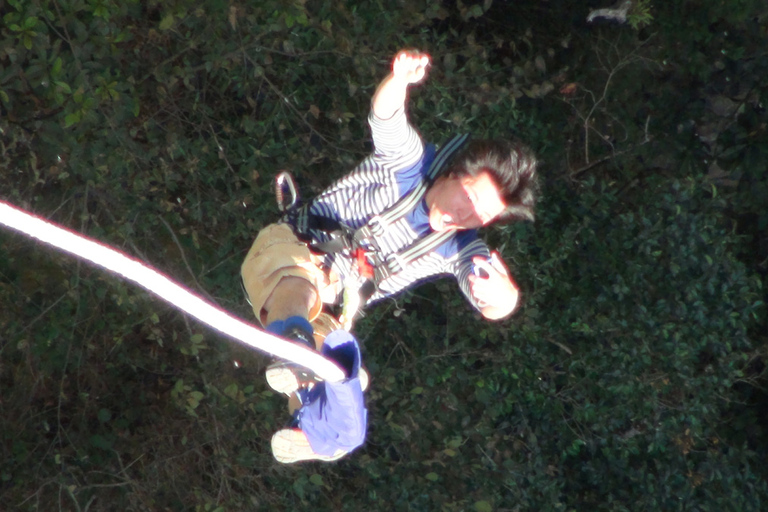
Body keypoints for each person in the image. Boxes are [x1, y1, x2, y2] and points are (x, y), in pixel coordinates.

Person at [241, 49, 537, 462]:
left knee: (348, 383)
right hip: (290, 254)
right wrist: (399, 80)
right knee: (304, 285)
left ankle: (312, 431)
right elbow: (385, 117)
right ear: (453, 173)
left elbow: (493, 300)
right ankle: (294, 344)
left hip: (329, 312)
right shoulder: (408, 165)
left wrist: (503, 295)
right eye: (468, 198)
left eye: (480, 216)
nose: (464, 215)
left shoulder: (461, 246)